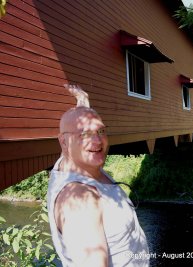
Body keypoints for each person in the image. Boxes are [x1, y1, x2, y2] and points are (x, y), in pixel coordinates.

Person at [47, 84, 149, 267]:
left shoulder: (75, 163)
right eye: (85, 134)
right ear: (63, 141)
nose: (97, 141)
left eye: (101, 131)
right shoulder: (80, 200)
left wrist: (83, 105)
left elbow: (76, 135)